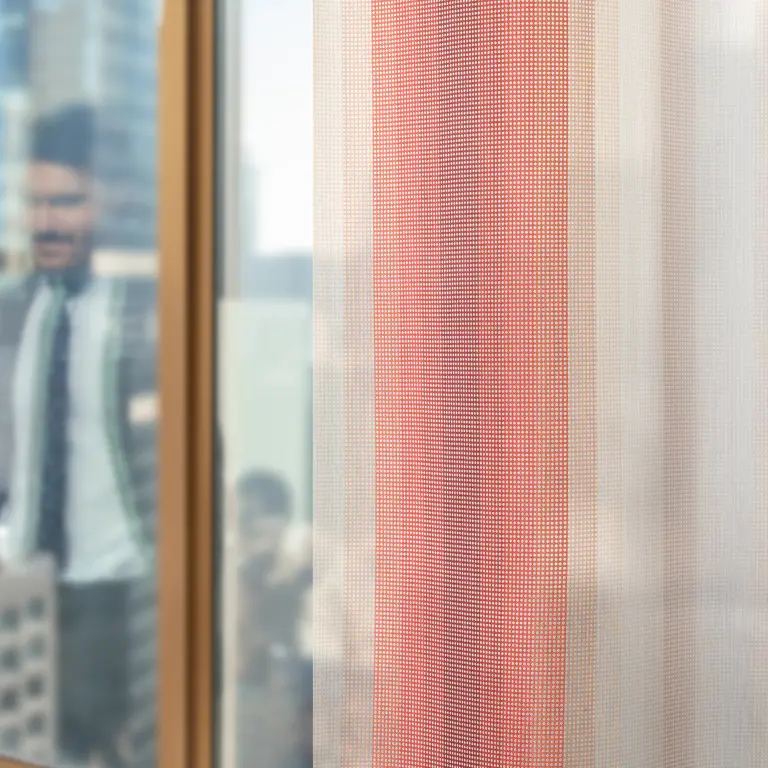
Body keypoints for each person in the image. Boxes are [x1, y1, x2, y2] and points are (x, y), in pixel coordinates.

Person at [0, 103, 157, 766]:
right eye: (34, 202)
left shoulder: (148, 313)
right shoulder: (14, 308)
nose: (46, 222)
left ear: (111, 200)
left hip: (117, 596)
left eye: (66, 201)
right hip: (23, 586)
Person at [233, 468, 312, 767]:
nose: (248, 526)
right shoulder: (235, 575)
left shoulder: (306, 569)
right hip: (251, 690)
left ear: (283, 520)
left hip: (290, 689)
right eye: (242, 518)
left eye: (257, 515)